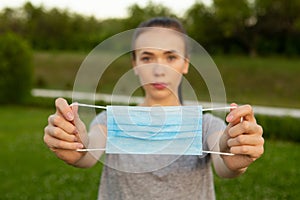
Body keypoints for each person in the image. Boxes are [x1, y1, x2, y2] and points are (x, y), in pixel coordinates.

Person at [43, 17, 264, 199]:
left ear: (185, 64)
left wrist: (233, 151)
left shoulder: (207, 125)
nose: (159, 70)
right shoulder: (109, 122)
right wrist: (74, 142)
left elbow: (224, 164)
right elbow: (87, 154)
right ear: (135, 64)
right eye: (147, 57)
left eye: (170, 57)